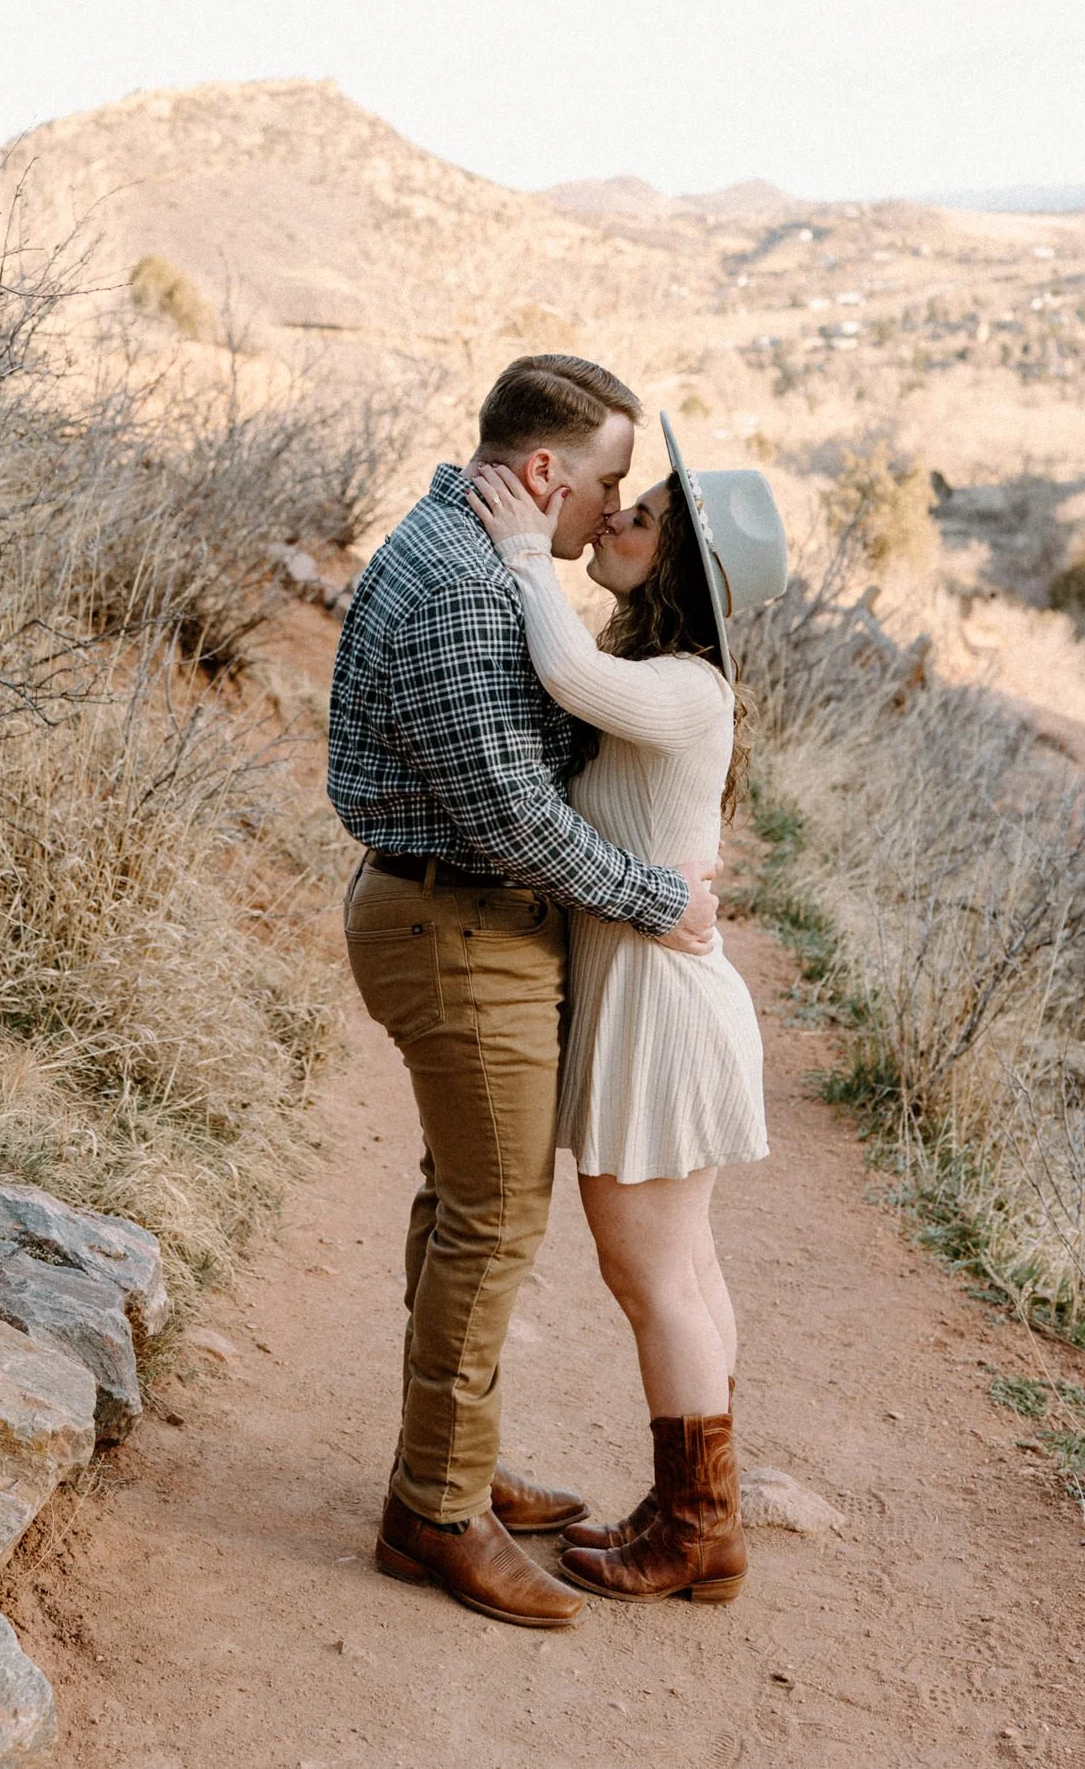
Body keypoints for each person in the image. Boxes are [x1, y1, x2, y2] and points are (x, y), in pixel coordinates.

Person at [327, 356, 720, 1632]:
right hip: (456, 915)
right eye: (606, 478)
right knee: (492, 1216)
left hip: (470, 912)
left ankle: (460, 1457)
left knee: (463, 1200)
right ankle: (434, 1509)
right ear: (543, 470)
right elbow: (509, 811)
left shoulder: (473, 560)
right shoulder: (456, 582)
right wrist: (661, 900)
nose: (611, 506)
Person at [465, 411, 787, 1605]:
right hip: (659, 996)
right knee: (683, 1277)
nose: (615, 518)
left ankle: (702, 1524)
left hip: (665, 1009)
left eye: (640, 518)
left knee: (656, 1281)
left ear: (680, 568)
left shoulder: (687, 687)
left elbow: (563, 672)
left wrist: (514, 546)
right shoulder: (672, 686)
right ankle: (693, 1509)